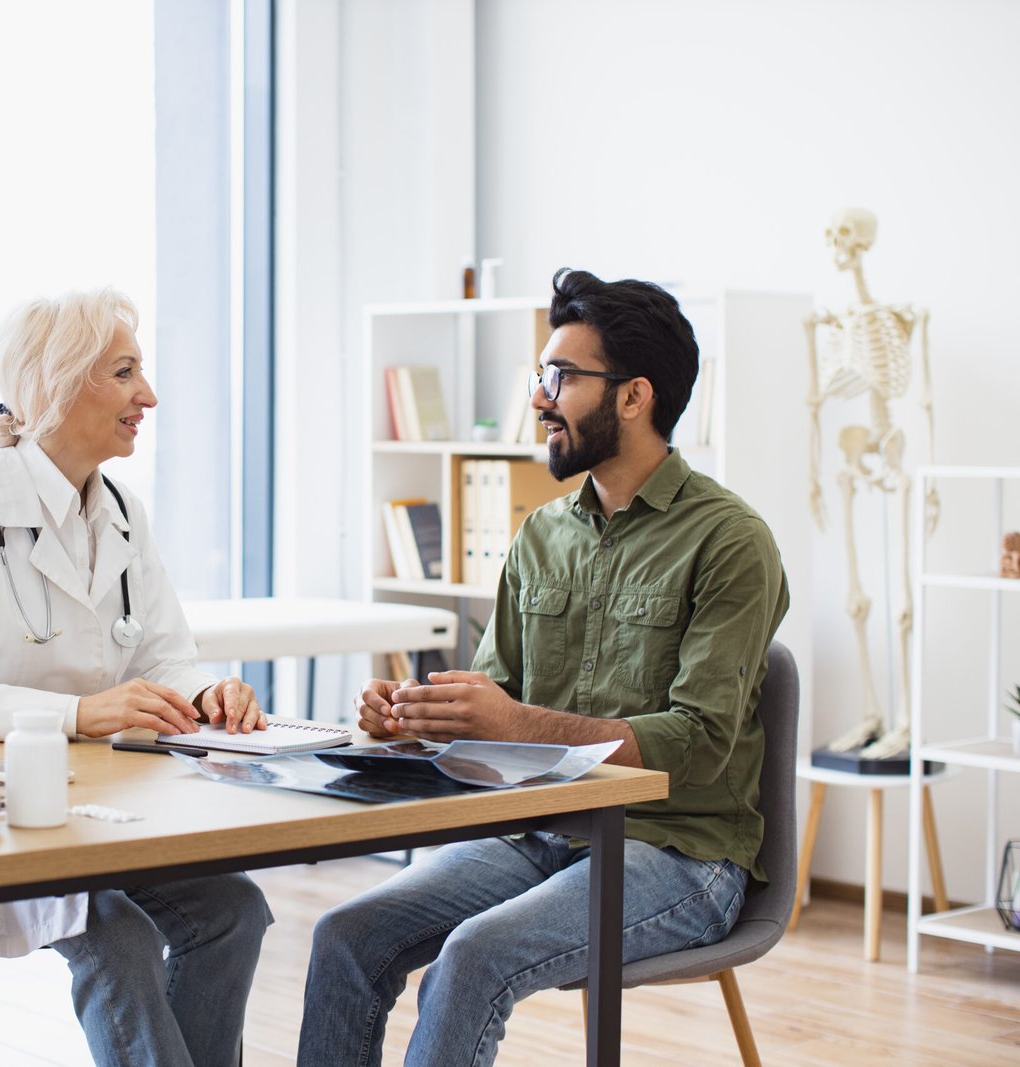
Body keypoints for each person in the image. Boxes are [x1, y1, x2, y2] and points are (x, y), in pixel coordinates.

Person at [297, 268, 790, 1066]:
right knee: (346, 933)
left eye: (560, 377)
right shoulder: (540, 535)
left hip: (679, 853)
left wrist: (513, 721)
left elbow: (698, 742)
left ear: (634, 396)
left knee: (474, 955)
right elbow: (498, 702)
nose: (539, 398)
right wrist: (419, 718)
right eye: (541, 375)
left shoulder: (730, 542)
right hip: (538, 832)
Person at [0, 286, 271, 1067]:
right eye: (125, 372)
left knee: (234, 909)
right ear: (59, 385)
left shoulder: (122, 510)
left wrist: (203, 691)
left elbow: (162, 653)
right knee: (116, 938)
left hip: (101, 807)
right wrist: (75, 713)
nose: (148, 396)